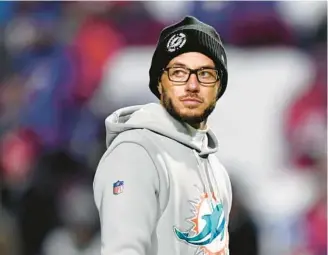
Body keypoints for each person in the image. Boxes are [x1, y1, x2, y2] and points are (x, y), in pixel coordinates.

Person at [93, 16, 232, 255]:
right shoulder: (136, 153)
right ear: (159, 82)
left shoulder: (216, 169)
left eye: (206, 74)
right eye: (178, 73)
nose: (192, 85)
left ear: (219, 87)